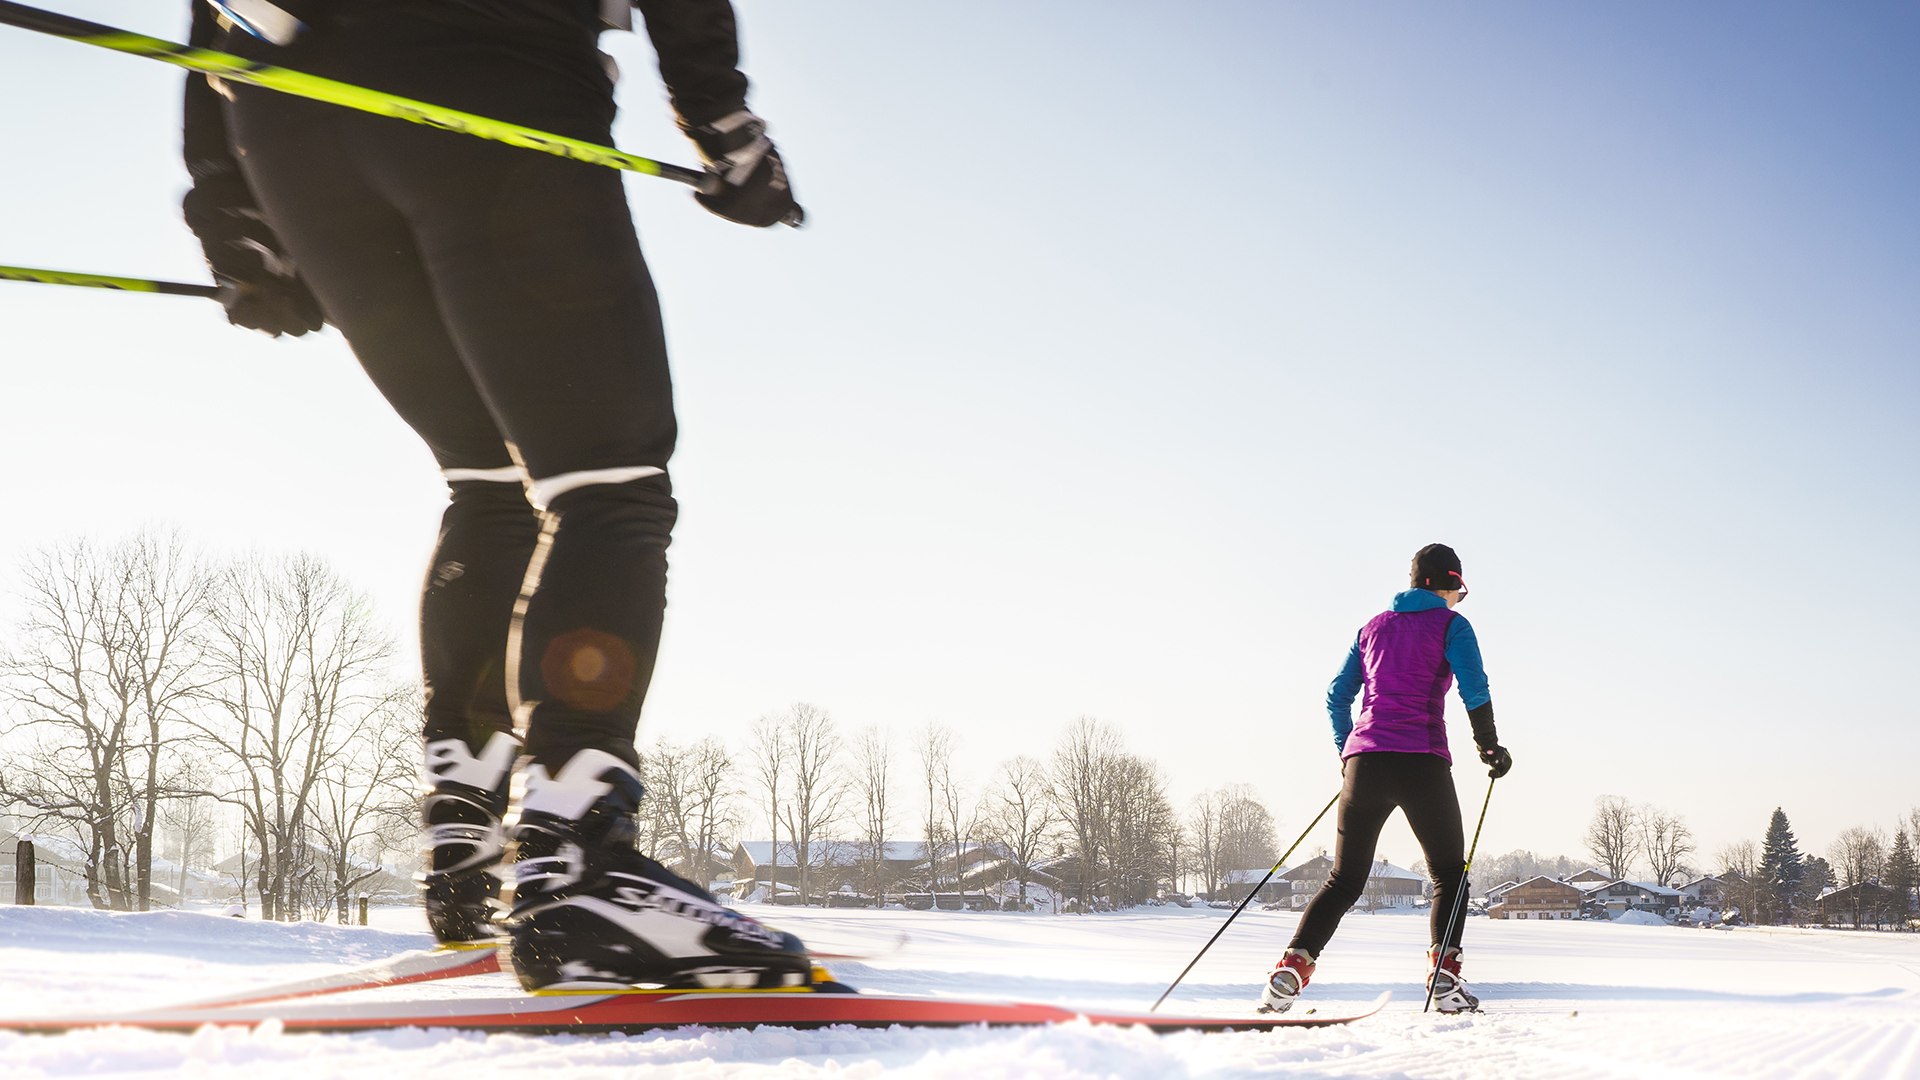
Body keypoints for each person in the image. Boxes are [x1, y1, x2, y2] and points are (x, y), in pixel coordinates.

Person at [180, 0, 807, 990]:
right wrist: (724, 126)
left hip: (289, 123)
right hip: (489, 82)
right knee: (607, 479)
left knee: (493, 480)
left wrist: (231, 207)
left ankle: (467, 836)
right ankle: (577, 871)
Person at [1260, 543, 1512, 1015]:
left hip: (1366, 765)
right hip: (1422, 762)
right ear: (1448, 584)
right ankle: (1444, 981)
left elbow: (1337, 696)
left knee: (1344, 879)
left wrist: (1347, 750)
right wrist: (1490, 746)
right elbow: (1474, 686)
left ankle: (1291, 970)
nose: (1460, 599)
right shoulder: (1453, 625)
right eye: (1459, 589)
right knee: (1448, 876)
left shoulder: (1372, 627)